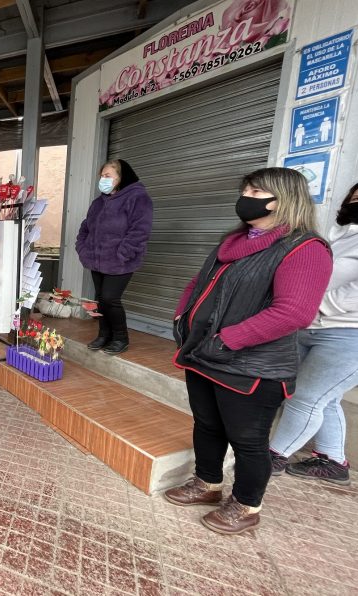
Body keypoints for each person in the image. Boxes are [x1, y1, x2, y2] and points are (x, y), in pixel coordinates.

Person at [164, 167, 333, 535]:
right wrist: (182, 319)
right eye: (245, 190)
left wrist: (228, 339)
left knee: (248, 440)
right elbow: (199, 282)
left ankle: (246, 505)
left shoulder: (305, 248)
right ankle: (207, 484)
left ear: (282, 198)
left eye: (255, 191)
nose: (245, 197)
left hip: (252, 365)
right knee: (207, 425)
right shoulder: (233, 241)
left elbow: (293, 312)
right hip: (204, 355)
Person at [269, 182, 358, 486]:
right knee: (325, 398)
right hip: (311, 326)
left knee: (304, 396)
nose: (355, 201)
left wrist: (317, 306)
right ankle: (333, 461)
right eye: (355, 195)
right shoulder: (338, 234)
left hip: (348, 334)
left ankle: (273, 455)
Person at [75, 159, 153, 355]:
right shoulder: (99, 202)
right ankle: (104, 335)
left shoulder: (138, 197)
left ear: (121, 177)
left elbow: (140, 231)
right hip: (96, 260)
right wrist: (83, 249)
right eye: (102, 176)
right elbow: (85, 228)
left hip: (120, 262)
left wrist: (122, 254)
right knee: (101, 299)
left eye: (108, 176)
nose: (103, 179)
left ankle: (120, 338)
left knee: (111, 299)